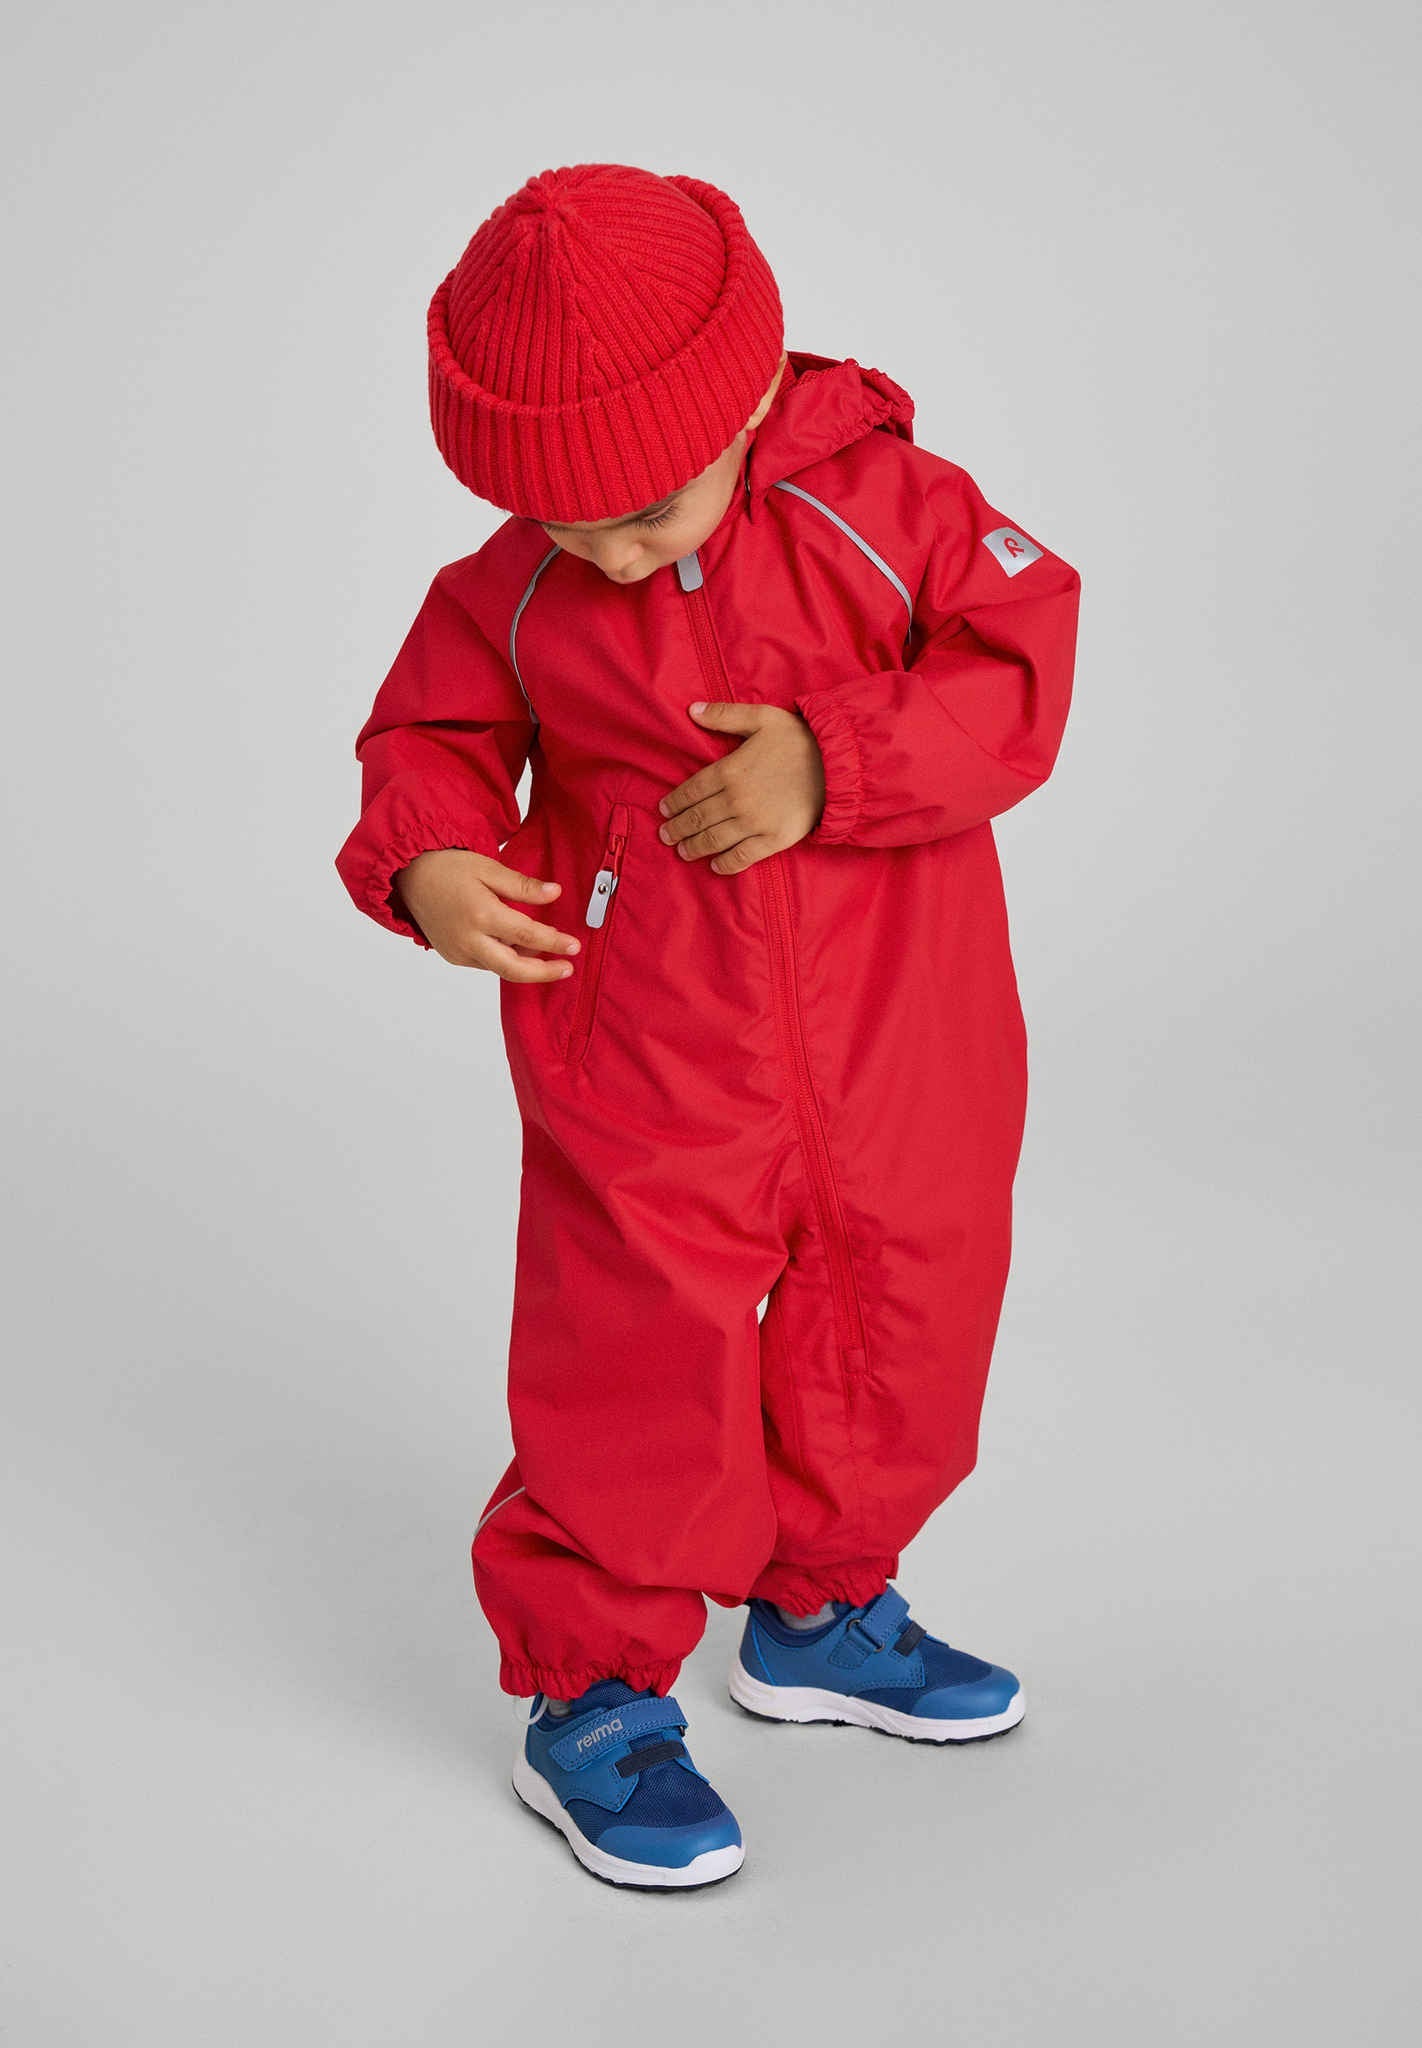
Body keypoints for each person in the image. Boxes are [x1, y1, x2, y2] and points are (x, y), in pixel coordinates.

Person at [336, 161, 1081, 1891]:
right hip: (647, 1042)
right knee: (632, 1356)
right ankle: (592, 1689)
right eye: (563, 522)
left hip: (905, 1024)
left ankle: (822, 1607)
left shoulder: (888, 510)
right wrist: (429, 857)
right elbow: (428, 733)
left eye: (645, 509)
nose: (607, 552)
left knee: (900, 1315)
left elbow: (1019, 660)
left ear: (744, 400)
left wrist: (838, 757)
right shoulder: (515, 587)